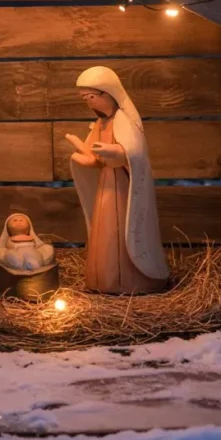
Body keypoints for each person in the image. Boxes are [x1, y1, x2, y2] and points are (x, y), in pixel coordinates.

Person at [66, 65, 169, 295]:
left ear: (108, 93)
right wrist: (85, 157)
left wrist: (116, 152)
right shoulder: (101, 123)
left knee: (121, 232)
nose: (90, 103)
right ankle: (103, 280)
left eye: (92, 97)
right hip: (106, 187)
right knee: (104, 232)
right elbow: (95, 157)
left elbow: (135, 155)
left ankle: (129, 282)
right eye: (85, 99)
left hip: (124, 190)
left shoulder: (124, 121)